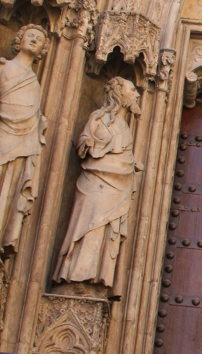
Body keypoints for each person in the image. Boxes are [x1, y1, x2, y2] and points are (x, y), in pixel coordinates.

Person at [54, 77, 142, 291]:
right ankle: (75, 277)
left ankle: (96, 280)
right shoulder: (99, 118)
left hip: (116, 189)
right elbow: (85, 143)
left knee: (107, 231)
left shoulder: (125, 127)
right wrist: (93, 145)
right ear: (119, 95)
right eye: (132, 89)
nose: (137, 95)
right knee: (88, 227)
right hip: (95, 185)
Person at [0, 25, 48, 257]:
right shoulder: (1, 67)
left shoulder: (35, 82)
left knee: (8, 186)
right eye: (30, 36)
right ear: (19, 39)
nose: (34, 40)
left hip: (23, 140)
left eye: (39, 39)